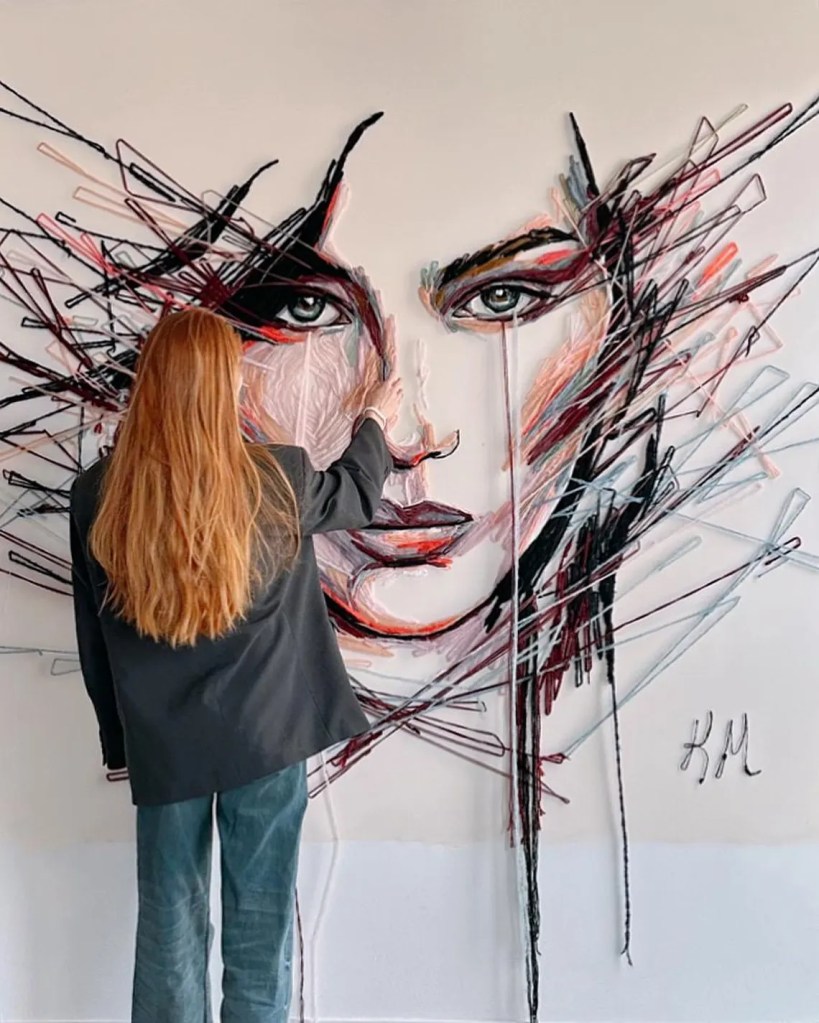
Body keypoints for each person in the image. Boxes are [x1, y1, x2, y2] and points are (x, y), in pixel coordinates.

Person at [68, 307, 401, 1022]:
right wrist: (374, 418)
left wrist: (117, 746)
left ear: (152, 384)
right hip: (266, 735)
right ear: (222, 385)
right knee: (260, 926)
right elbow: (357, 494)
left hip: (165, 745)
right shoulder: (276, 476)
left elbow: (92, 635)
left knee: (169, 925)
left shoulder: (98, 492)